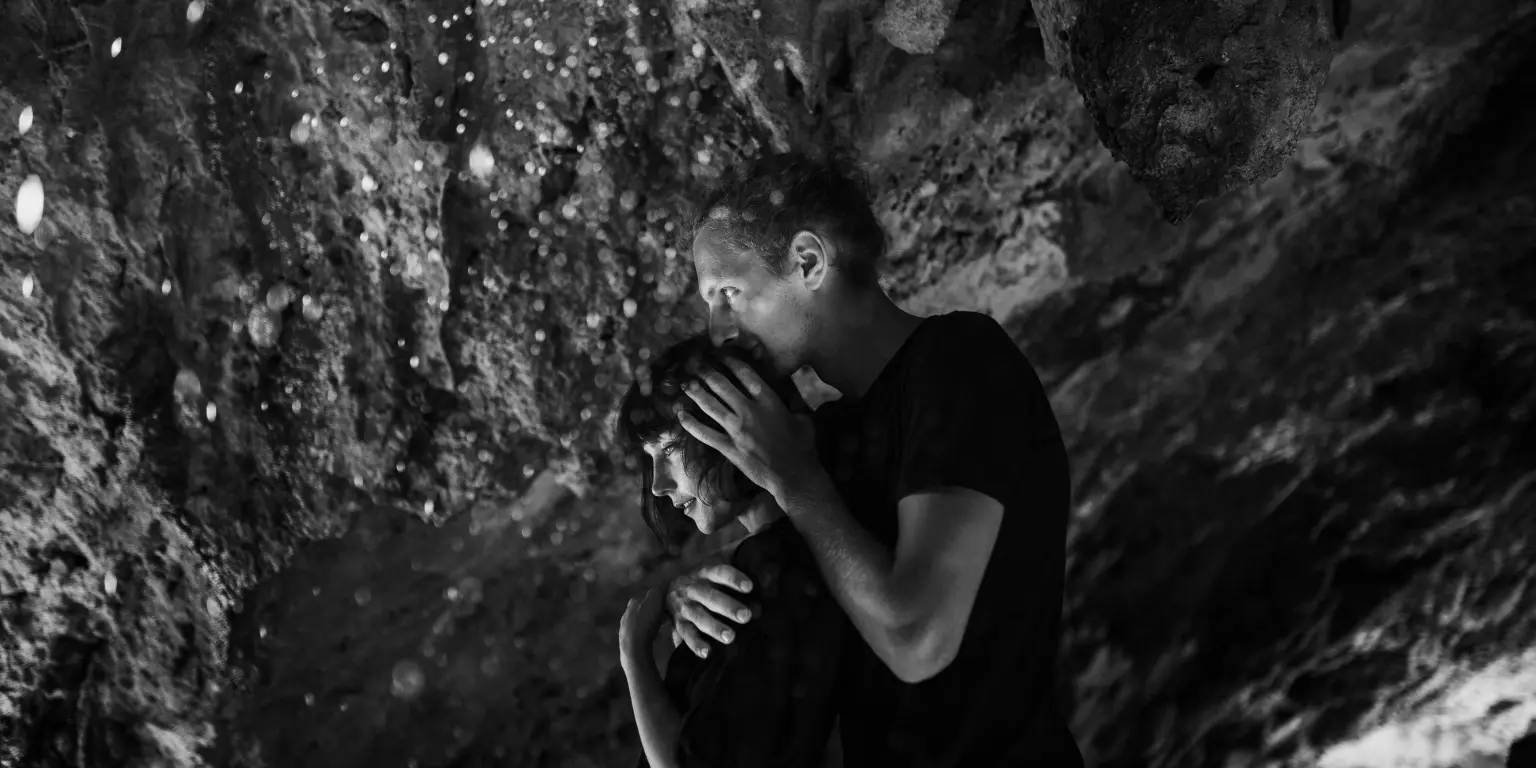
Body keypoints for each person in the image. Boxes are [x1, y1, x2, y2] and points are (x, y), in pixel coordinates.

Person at [663, 151, 1085, 766]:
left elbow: (917, 638)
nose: (718, 329)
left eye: (728, 292)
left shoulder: (961, 362)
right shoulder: (831, 437)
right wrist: (689, 599)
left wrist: (795, 480)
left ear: (808, 262)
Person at [615, 335, 849, 768]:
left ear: (727, 419)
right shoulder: (768, 559)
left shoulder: (773, 575)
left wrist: (634, 656)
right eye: (651, 459)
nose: (658, 485)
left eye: (669, 448)